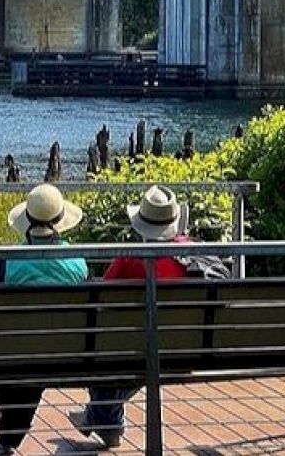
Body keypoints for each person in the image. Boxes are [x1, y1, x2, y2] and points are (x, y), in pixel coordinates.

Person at [70, 185, 189, 448]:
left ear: (141, 223)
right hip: (185, 350)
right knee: (128, 353)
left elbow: (101, 298)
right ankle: (101, 418)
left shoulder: (130, 257)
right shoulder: (192, 256)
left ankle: (103, 419)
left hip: (134, 350)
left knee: (104, 354)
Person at [0, 184, 88, 453]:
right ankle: (11, 430)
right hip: (66, 355)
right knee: (37, 359)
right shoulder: (77, 262)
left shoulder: (7, 263)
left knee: (15, 357)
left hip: (12, 354)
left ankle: (10, 428)